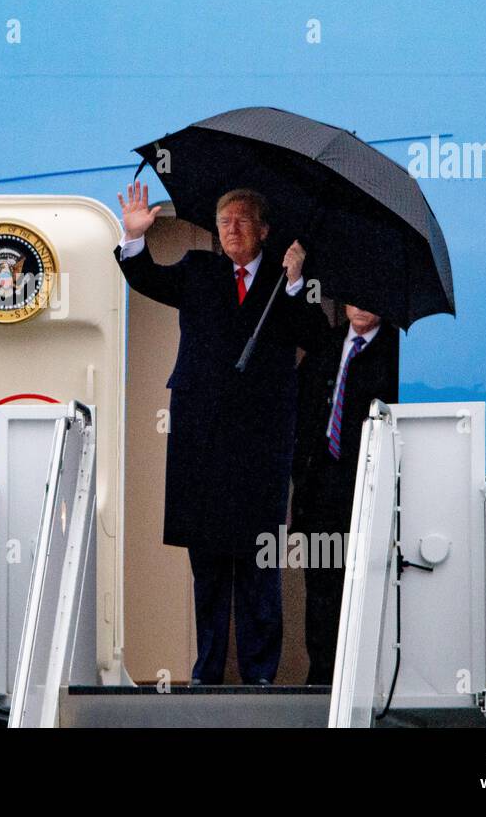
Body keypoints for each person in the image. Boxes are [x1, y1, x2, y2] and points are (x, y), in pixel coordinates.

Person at [114, 181, 329, 685]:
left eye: (241, 220)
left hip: (259, 450)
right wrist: (134, 238)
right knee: (208, 570)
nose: (231, 229)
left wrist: (295, 281)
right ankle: (206, 673)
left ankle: (260, 677)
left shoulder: (285, 284)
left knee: (259, 570)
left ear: (264, 230)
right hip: (201, 445)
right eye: (224, 221)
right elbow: (147, 279)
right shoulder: (198, 269)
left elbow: (316, 337)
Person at [291, 304, 399, 685]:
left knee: (368, 581)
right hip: (319, 488)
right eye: (353, 295)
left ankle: (364, 677)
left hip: (367, 487)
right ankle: (322, 676)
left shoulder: (397, 352)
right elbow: (301, 410)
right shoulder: (327, 344)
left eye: (371, 295)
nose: (361, 303)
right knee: (321, 585)